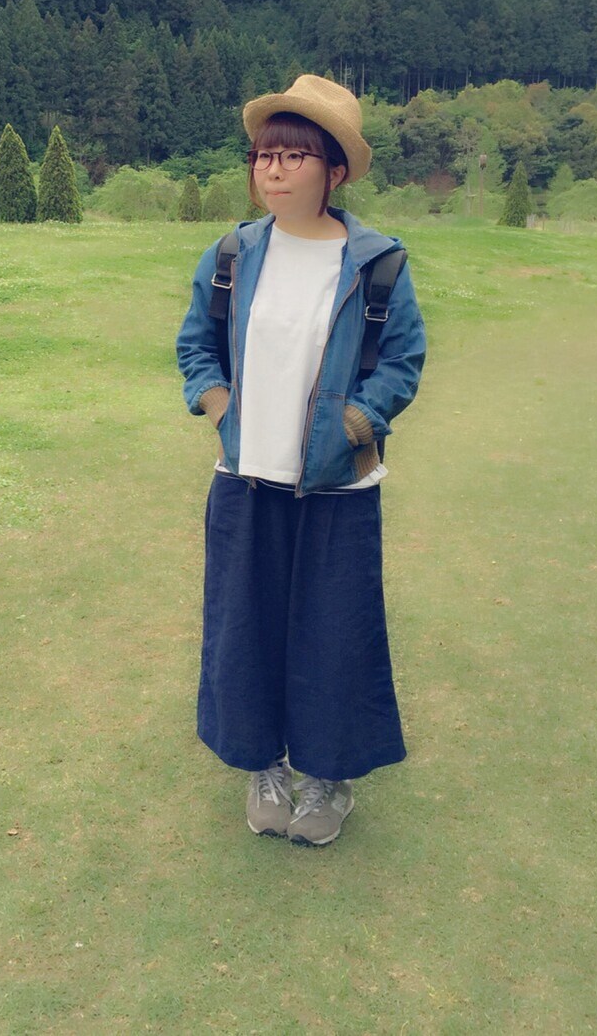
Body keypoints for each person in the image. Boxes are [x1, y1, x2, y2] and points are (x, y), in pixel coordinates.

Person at [176, 75, 426, 846]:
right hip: (246, 481)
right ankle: (264, 765)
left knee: (334, 632)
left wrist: (355, 422)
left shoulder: (377, 264)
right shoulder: (230, 255)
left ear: (334, 171)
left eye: (293, 156)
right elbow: (196, 346)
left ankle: (327, 778)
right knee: (246, 628)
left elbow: (402, 362)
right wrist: (223, 412)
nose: (274, 170)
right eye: (264, 155)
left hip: (338, 487)